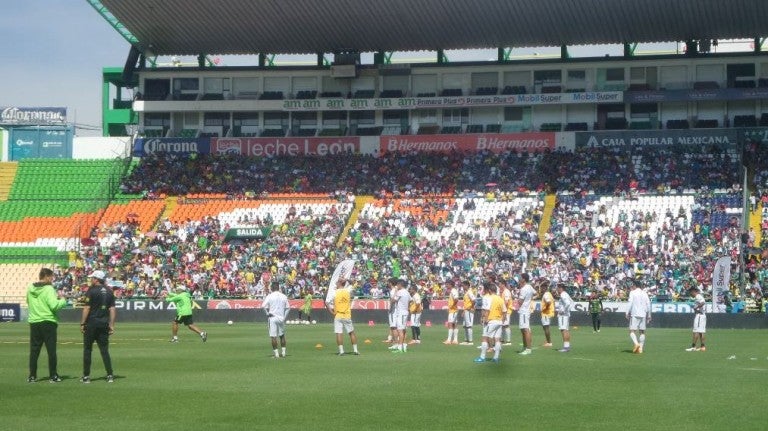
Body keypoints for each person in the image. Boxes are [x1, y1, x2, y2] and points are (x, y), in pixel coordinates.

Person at [26, 267, 67, 383]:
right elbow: (54, 306)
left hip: (34, 321)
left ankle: (32, 376)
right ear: (47, 277)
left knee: (34, 351)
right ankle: (53, 376)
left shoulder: (30, 287)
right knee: (51, 350)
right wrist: (63, 300)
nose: (53, 279)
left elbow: (28, 302)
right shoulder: (49, 288)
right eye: (52, 277)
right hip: (48, 321)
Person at [80, 270, 116, 383]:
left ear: (96, 279)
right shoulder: (110, 291)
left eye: (92, 278)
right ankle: (110, 375)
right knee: (104, 350)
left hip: (91, 324)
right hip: (104, 324)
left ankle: (86, 377)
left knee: (87, 350)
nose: (91, 279)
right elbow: (113, 309)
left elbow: (87, 308)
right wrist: (111, 325)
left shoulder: (91, 290)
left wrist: (82, 323)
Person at [474, 282, 506, 363]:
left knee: (484, 338)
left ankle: (482, 357)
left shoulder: (489, 298)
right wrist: (502, 320)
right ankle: (496, 358)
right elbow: (504, 311)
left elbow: (487, 309)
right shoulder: (500, 299)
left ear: (490, 290)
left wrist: (485, 319)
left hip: (491, 321)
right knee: (497, 339)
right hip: (499, 321)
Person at [326, 277, 359, 356]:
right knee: (351, 332)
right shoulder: (348, 290)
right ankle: (355, 350)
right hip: (347, 315)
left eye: (337, 282)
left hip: (338, 315)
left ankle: (341, 351)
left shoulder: (334, 292)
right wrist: (347, 279)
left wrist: (332, 312)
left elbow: (327, 302)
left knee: (339, 333)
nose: (336, 283)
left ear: (339, 283)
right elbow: (352, 283)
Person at [263, 282, 290, 358]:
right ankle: (284, 353)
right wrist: (284, 317)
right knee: (282, 335)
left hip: (272, 317)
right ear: (278, 288)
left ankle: (276, 354)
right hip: (281, 318)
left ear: (272, 288)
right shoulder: (284, 296)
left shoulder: (270, 296)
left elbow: (263, 306)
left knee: (273, 336)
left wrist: (267, 313)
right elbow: (288, 308)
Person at [626, 279, 651, 354]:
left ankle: (636, 344)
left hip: (635, 314)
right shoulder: (645, 293)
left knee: (631, 331)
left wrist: (627, 312)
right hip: (643, 314)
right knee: (642, 332)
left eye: (632, 285)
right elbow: (648, 304)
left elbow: (630, 303)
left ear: (634, 285)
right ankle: (641, 349)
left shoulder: (632, 292)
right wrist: (649, 315)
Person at [517, 273, 536, 355]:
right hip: (526, 310)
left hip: (524, 310)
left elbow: (520, 301)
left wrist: (517, 300)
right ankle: (525, 347)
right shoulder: (529, 287)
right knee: (523, 329)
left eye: (520, 278)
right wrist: (530, 299)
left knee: (525, 329)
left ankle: (528, 349)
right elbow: (535, 293)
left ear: (524, 279)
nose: (519, 279)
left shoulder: (524, 289)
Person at [390, 278, 411, 353]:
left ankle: (399, 348)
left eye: (397, 285)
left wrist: (395, 292)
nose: (396, 286)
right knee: (404, 330)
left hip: (401, 313)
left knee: (400, 330)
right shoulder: (407, 292)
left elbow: (392, 300)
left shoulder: (400, 292)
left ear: (400, 285)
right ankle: (404, 346)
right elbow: (410, 301)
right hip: (405, 312)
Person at [686, 286, 707, 352]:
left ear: (693, 291)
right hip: (702, 315)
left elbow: (703, 302)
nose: (690, 294)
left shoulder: (698, 296)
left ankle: (693, 346)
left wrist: (696, 308)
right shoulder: (698, 297)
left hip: (699, 316)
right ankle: (702, 347)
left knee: (696, 331)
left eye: (690, 293)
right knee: (701, 332)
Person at [555, 284, 574, 352]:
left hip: (563, 315)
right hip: (566, 315)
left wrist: (563, 311)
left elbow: (568, 303)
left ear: (561, 288)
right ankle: (567, 346)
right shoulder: (566, 294)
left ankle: (566, 348)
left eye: (558, 288)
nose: (557, 289)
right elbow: (572, 302)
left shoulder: (563, 294)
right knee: (566, 330)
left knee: (563, 330)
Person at [538, 279, 555, 348]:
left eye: (541, 288)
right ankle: (548, 341)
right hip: (549, 313)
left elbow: (548, 302)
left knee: (546, 328)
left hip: (546, 314)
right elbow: (553, 302)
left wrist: (545, 309)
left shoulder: (546, 295)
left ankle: (549, 342)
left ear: (544, 288)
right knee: (546, 327)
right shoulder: (549, 294)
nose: (541, 289)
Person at [443, 280, 460, 345]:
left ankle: (449, 340)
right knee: (454, 324)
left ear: (451, 285)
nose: (446, 286)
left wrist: (452, 306)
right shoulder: (452, 291)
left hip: (453, 310)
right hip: (453, 310)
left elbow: (456, 299)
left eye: (447, 284)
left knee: (450, 324)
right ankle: (455, 340)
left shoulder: (453, 291)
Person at [461, 280, 476, 345]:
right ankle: (466, 340)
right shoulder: (466, 292)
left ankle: (470, 341)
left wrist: (471, 307)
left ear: (467, 285)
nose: (462, 287)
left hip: (469, 311)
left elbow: (474, 300)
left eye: (463, 285)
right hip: (466, 310)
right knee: (465, 326)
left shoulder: (470, 292)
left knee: (469, 325)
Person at [383, 278, 398, 344]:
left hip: (393, 311)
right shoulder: (395, 290)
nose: (387, 283)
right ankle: (392, 339)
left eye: (388, 282)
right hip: (396, 310)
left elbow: (393, 301)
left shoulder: (393, 291)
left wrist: (390, 308)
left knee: (393, 326)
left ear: (391, 283)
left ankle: (395, 342)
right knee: (393, 326)